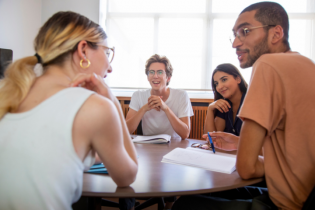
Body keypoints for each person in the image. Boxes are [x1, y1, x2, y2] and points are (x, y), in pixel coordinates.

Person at [173, 2, 315, 210]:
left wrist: (248, 154)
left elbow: (246, 169)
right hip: (304, 192)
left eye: (245, 32)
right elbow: (295, 152)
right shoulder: (307, 65)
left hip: (285, 204)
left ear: (276, 33)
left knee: (184, 204)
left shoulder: (267, 64)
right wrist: (239, 142)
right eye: (235, 34)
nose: (235, 43)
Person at [0, 11, 138, 210]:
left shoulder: (10, 95)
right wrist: (113, 102)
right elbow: (128, 176)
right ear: (83, 50)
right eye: (107, 53)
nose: (110, 67)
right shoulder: (95, 107)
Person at [126, 54, 194, 140]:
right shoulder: (138, 95)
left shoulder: (181, 95)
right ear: (147, 77)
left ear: (168, 78)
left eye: (160, 72)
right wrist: (144, 109)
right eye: (151, 72)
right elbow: (126, 131)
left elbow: (185, 134)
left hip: (173, 146)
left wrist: (165, 108)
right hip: (148, 146)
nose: (155, 76)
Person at [204, 63, 247, 136]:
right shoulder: (224, 104)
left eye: (224, 80)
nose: (219, 87)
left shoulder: (251, 102)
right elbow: (211, 139)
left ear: (238, 79)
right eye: (216, 83)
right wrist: (210, 109)